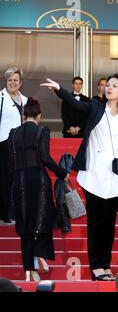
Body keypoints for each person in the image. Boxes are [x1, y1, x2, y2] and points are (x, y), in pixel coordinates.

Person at [40, 74, 118, 281]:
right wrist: (59, 89)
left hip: (115, 178)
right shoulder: (95, 107)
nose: (109, 88)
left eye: (114, 86)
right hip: (94, 173)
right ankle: (96, 268)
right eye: (108, 85)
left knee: (109, 224)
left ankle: (106, 266)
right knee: (95, 223)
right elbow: (74, 102)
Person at [7, 97, 68, 281]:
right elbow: (45, 158)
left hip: (19, 181)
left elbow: (11, 161)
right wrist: (61, 172)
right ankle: (40, 255)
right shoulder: (42, 130)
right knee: (42, 221)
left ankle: (29, 270)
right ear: (39, 116)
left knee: (25, 226)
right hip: (38, 181)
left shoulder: (13, 133)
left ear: (24, 115)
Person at [0, 67, 28, 224]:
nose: (12, 82)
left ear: (21, 82)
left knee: (18, 179)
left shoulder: (25, 100)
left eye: (15, 80)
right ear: (6, 81)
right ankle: (5, 213)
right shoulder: (0, 97)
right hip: (3, 144)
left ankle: (16, 212)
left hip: (20, 145)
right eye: (9, 80)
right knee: (5, 179)